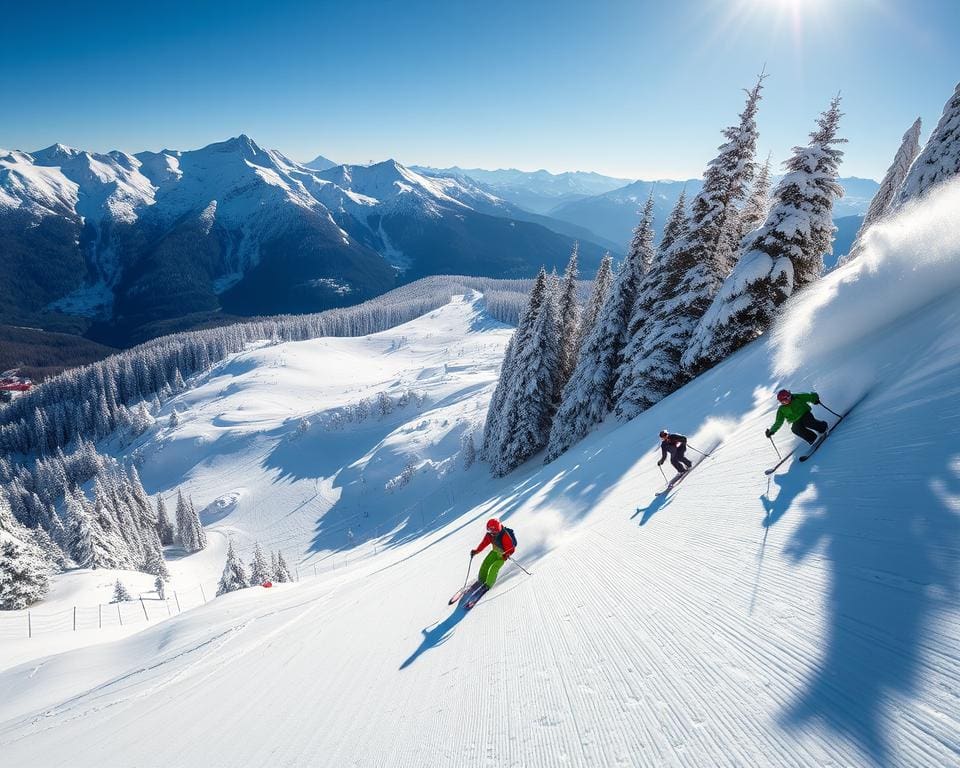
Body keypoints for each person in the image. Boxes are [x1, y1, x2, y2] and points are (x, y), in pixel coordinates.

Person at [470, 518, 516, 590]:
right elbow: (483, 544)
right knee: (486, 563)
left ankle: (488, 585)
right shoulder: (490, 535)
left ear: (496, 529)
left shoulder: (505, 536)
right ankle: (481, 580)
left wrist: (507, 554)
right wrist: (476, 551)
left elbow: (511, 548)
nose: (489, 531)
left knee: (494, 568)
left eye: (490, 530)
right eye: (488, 529)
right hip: (495, 552)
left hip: (502, 556)